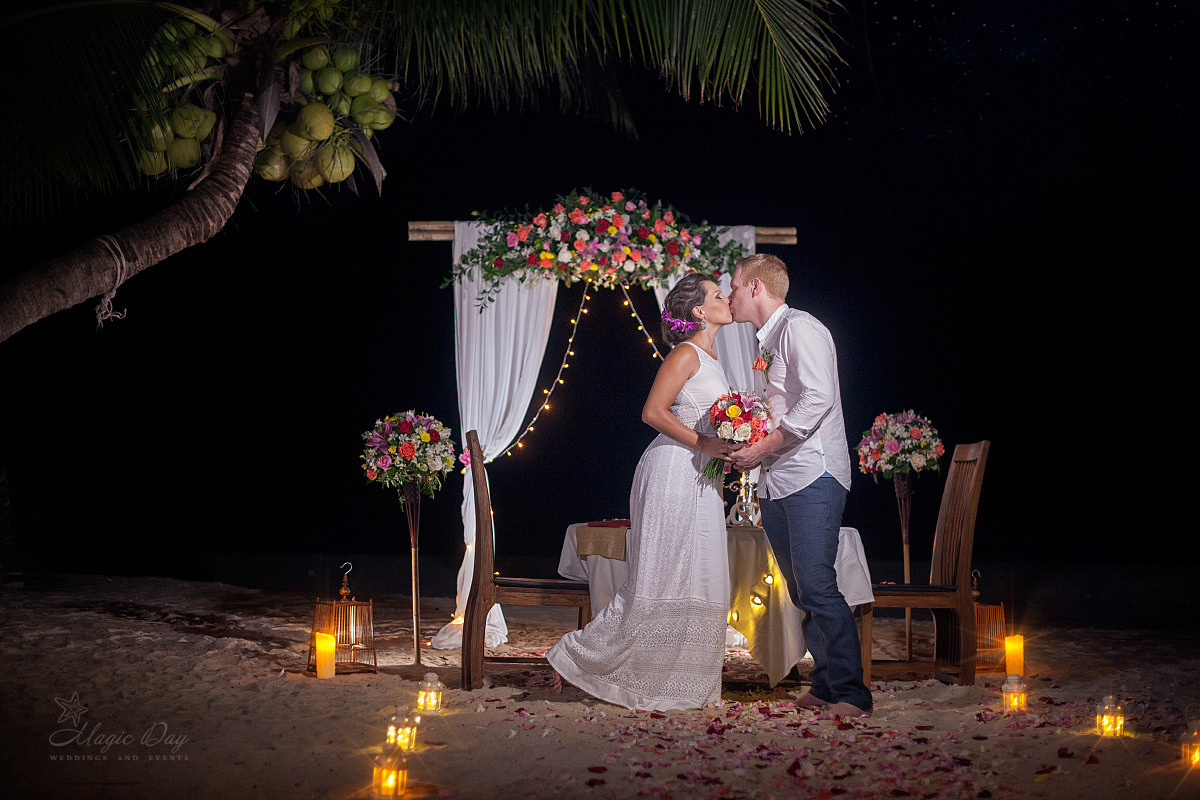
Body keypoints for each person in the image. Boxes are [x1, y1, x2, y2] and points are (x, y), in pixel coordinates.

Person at [546, 273, 740, 710]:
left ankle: (682, 684)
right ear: (698, 310)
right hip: (672, 471)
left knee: (699, 576)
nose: (726, 298)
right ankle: (573, 655)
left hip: (702, 475)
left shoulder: (714, 359)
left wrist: (729, 446)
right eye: (717, 294)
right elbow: (652, 412)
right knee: (661, 577)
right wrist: (705, 443)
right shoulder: (685, 353)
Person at [726, 253, 872, 717]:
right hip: (779, 478)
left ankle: (852, 693)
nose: (729, 296)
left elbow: (819, 397)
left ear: (755, 288)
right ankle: (825, 684)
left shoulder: (800, 328)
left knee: (818, 584)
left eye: (734, 286)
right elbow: (780, 405)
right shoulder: (768, 339)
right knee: (800, 589)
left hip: (814, 474)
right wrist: (749, 444)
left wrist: (765, 444)